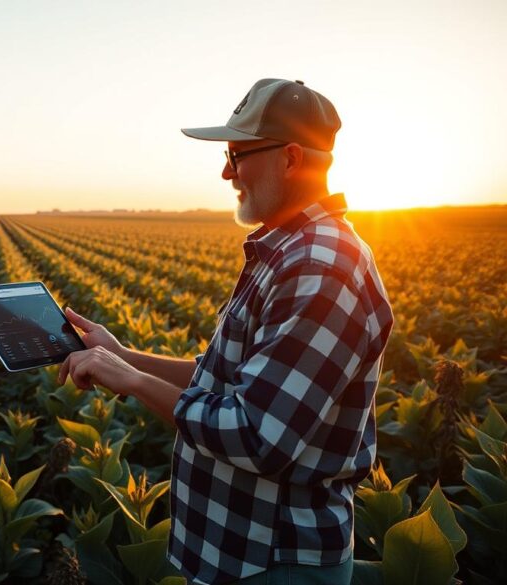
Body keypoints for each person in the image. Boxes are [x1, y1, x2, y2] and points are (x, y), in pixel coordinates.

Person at [57, 78, 394, 584]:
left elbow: (256, 434)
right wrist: (124, 356)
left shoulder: (321, 266)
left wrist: (130, 382)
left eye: (237, 155)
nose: (225, 172)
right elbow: (231, 379)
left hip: (273, 560)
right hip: (239, 551)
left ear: (291, 158)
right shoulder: (286, 251)